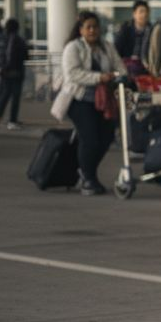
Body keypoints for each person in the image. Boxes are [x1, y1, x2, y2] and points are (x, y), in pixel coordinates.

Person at [52, 11, 124, 196]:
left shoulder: (107, 47)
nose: (93, 30)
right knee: (90, 139)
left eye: (95, 27)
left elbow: (120, 66)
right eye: (88, 27)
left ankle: (86, 172)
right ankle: (88, 178)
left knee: (106, 137)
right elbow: (73, 74)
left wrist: (120, 76)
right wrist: (99, 77)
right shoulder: (73, 48)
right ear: (81, 29)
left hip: (104, 101)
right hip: (79, 99)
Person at [0, 18, 27, 130]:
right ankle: (12, 121)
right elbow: (24, 55)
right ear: (17, 28)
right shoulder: (17, 39)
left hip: (1, 71)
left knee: (5, 94)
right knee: (15, 97)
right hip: (15, 72)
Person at [115, 0, 152, 65]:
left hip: (146, 67)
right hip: (126, 65)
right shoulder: (125, 29)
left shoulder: (152, 30)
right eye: (141, 12)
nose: (144, 15)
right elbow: (117, 50)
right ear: (134, 14)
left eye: (146, 12)